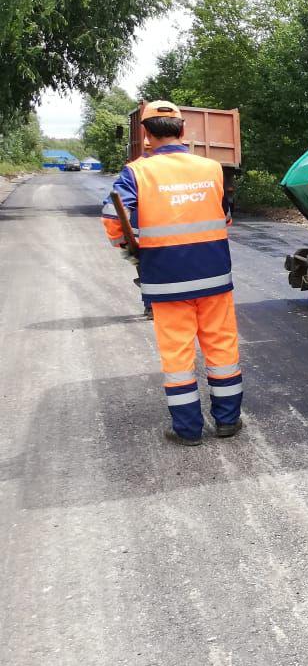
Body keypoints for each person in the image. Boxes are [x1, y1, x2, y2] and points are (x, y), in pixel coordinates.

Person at [101, 101, 244, 444]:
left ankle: (188, 429)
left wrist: (128, 246)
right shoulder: (212, 168)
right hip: (213, 277)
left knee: (177, 355)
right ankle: (227, 422)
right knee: (222, 349)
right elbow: (224, 218)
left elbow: (112, 220)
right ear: (183, 131)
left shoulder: (135, 173)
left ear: (146, 136)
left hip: (165, 280)